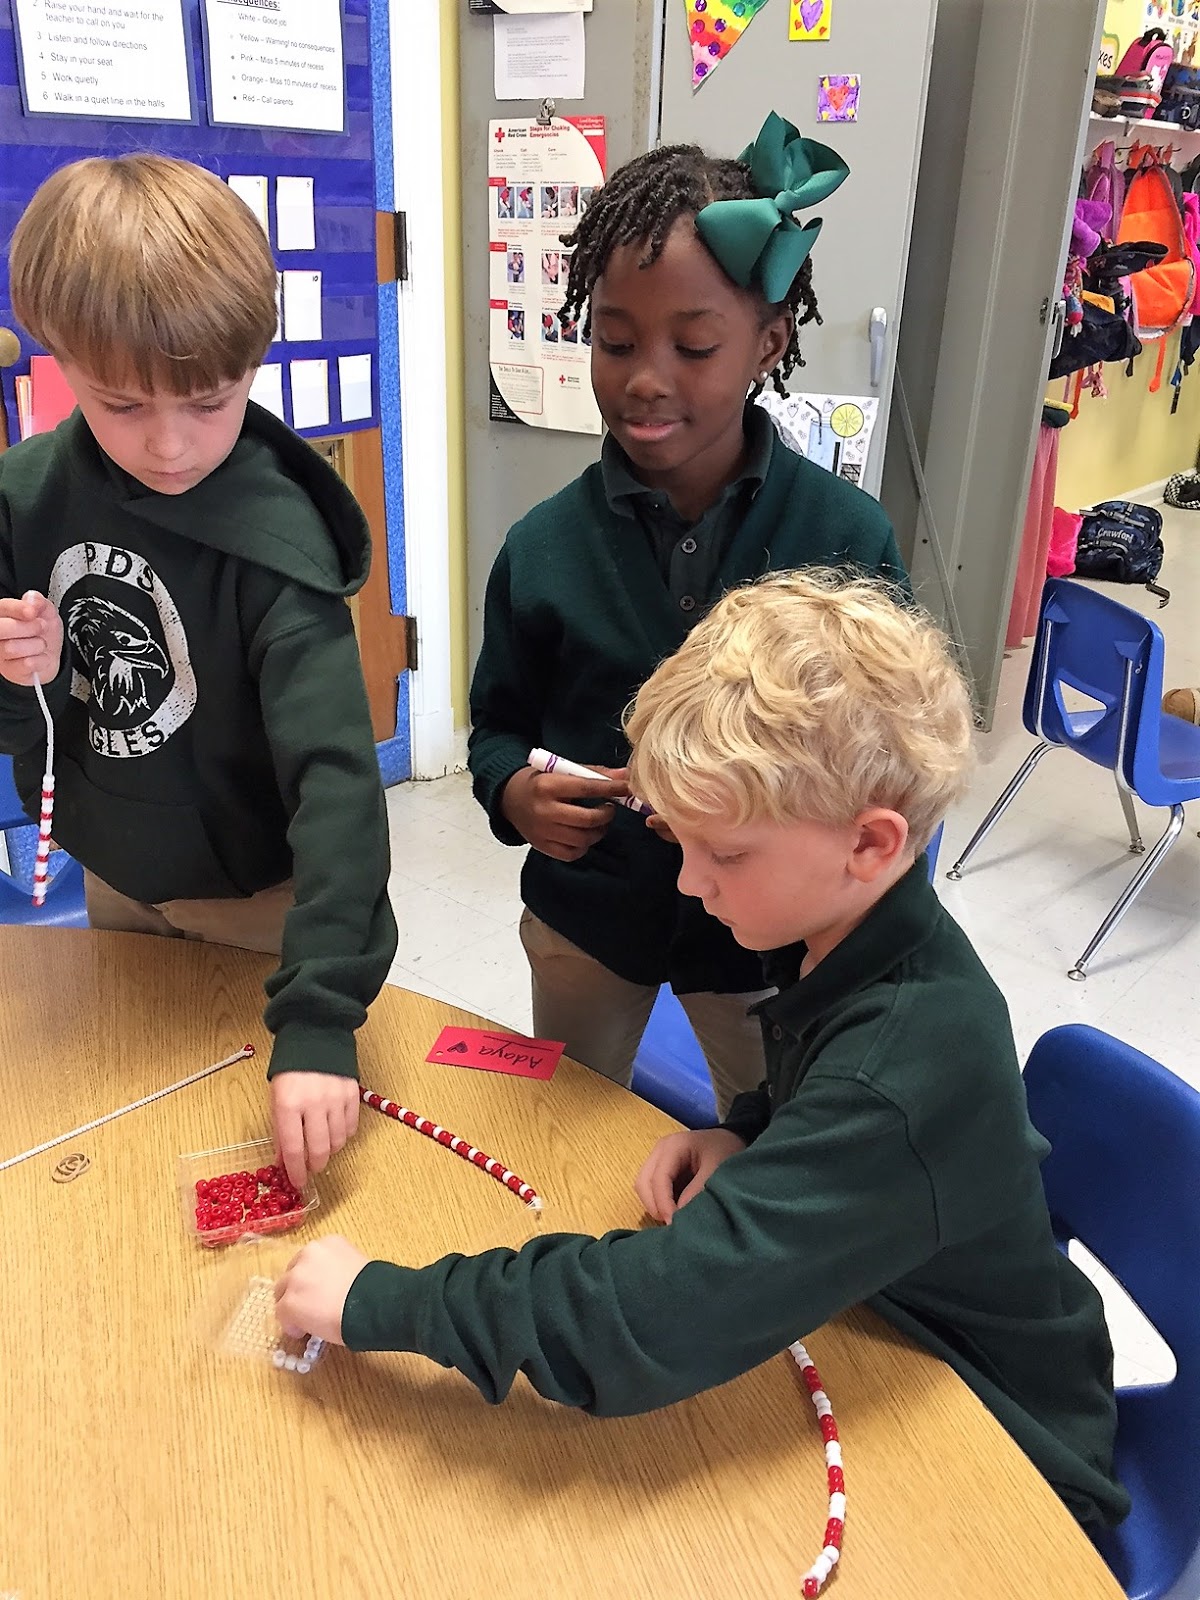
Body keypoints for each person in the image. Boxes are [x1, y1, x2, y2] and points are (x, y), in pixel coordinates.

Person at [276, 571, 1128, 1540]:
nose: (689, 881)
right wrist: (750, 1133)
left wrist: (380, 1300)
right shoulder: (862, 937)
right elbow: (827, 1090)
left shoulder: (899, 1067)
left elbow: (647, 1320)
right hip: (883, 1324)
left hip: (1013, 1452)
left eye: (724, 854)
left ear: (869, 843)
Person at [468, 111, 906, 1115]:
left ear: (768, 343)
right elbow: (497, 727)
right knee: (567, 1135)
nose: (645, 379)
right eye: (615, 341)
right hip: (588, 925)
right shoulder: (543, 547)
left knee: (768, 1143)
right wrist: (515, 795)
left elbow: (889, 766)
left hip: (768, 949)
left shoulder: (845, 542)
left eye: (695, 345)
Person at [0, 154, 397, 1187]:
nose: (172, 446)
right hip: (117, 876)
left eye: (211, 402)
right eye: (122, 405)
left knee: (263, 1143)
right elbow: (21, 726)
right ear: (59, 360)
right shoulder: (23, 496)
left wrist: (318, 1021)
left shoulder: (276, 543)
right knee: (136, 1150)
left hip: (263, 905)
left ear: (252, 366)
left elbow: (339, 793)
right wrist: (14, 673)